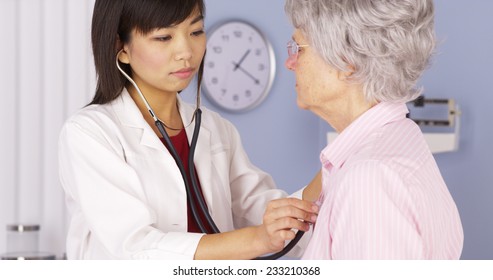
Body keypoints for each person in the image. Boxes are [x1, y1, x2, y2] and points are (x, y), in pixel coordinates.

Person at [58, 0, 320, 260]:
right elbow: (137, 249)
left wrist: (337, 162)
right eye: (163, 37)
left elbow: (275, 219)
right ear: (121, 47)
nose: (186, 51)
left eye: (196, 32)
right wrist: (259, 239)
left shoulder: (215, 129)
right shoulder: (89, 133)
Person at [284, 0, 463, 259]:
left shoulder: (369, 180)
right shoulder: (400, 137)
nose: (290, 62)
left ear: (346, 62)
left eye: (298, 49)